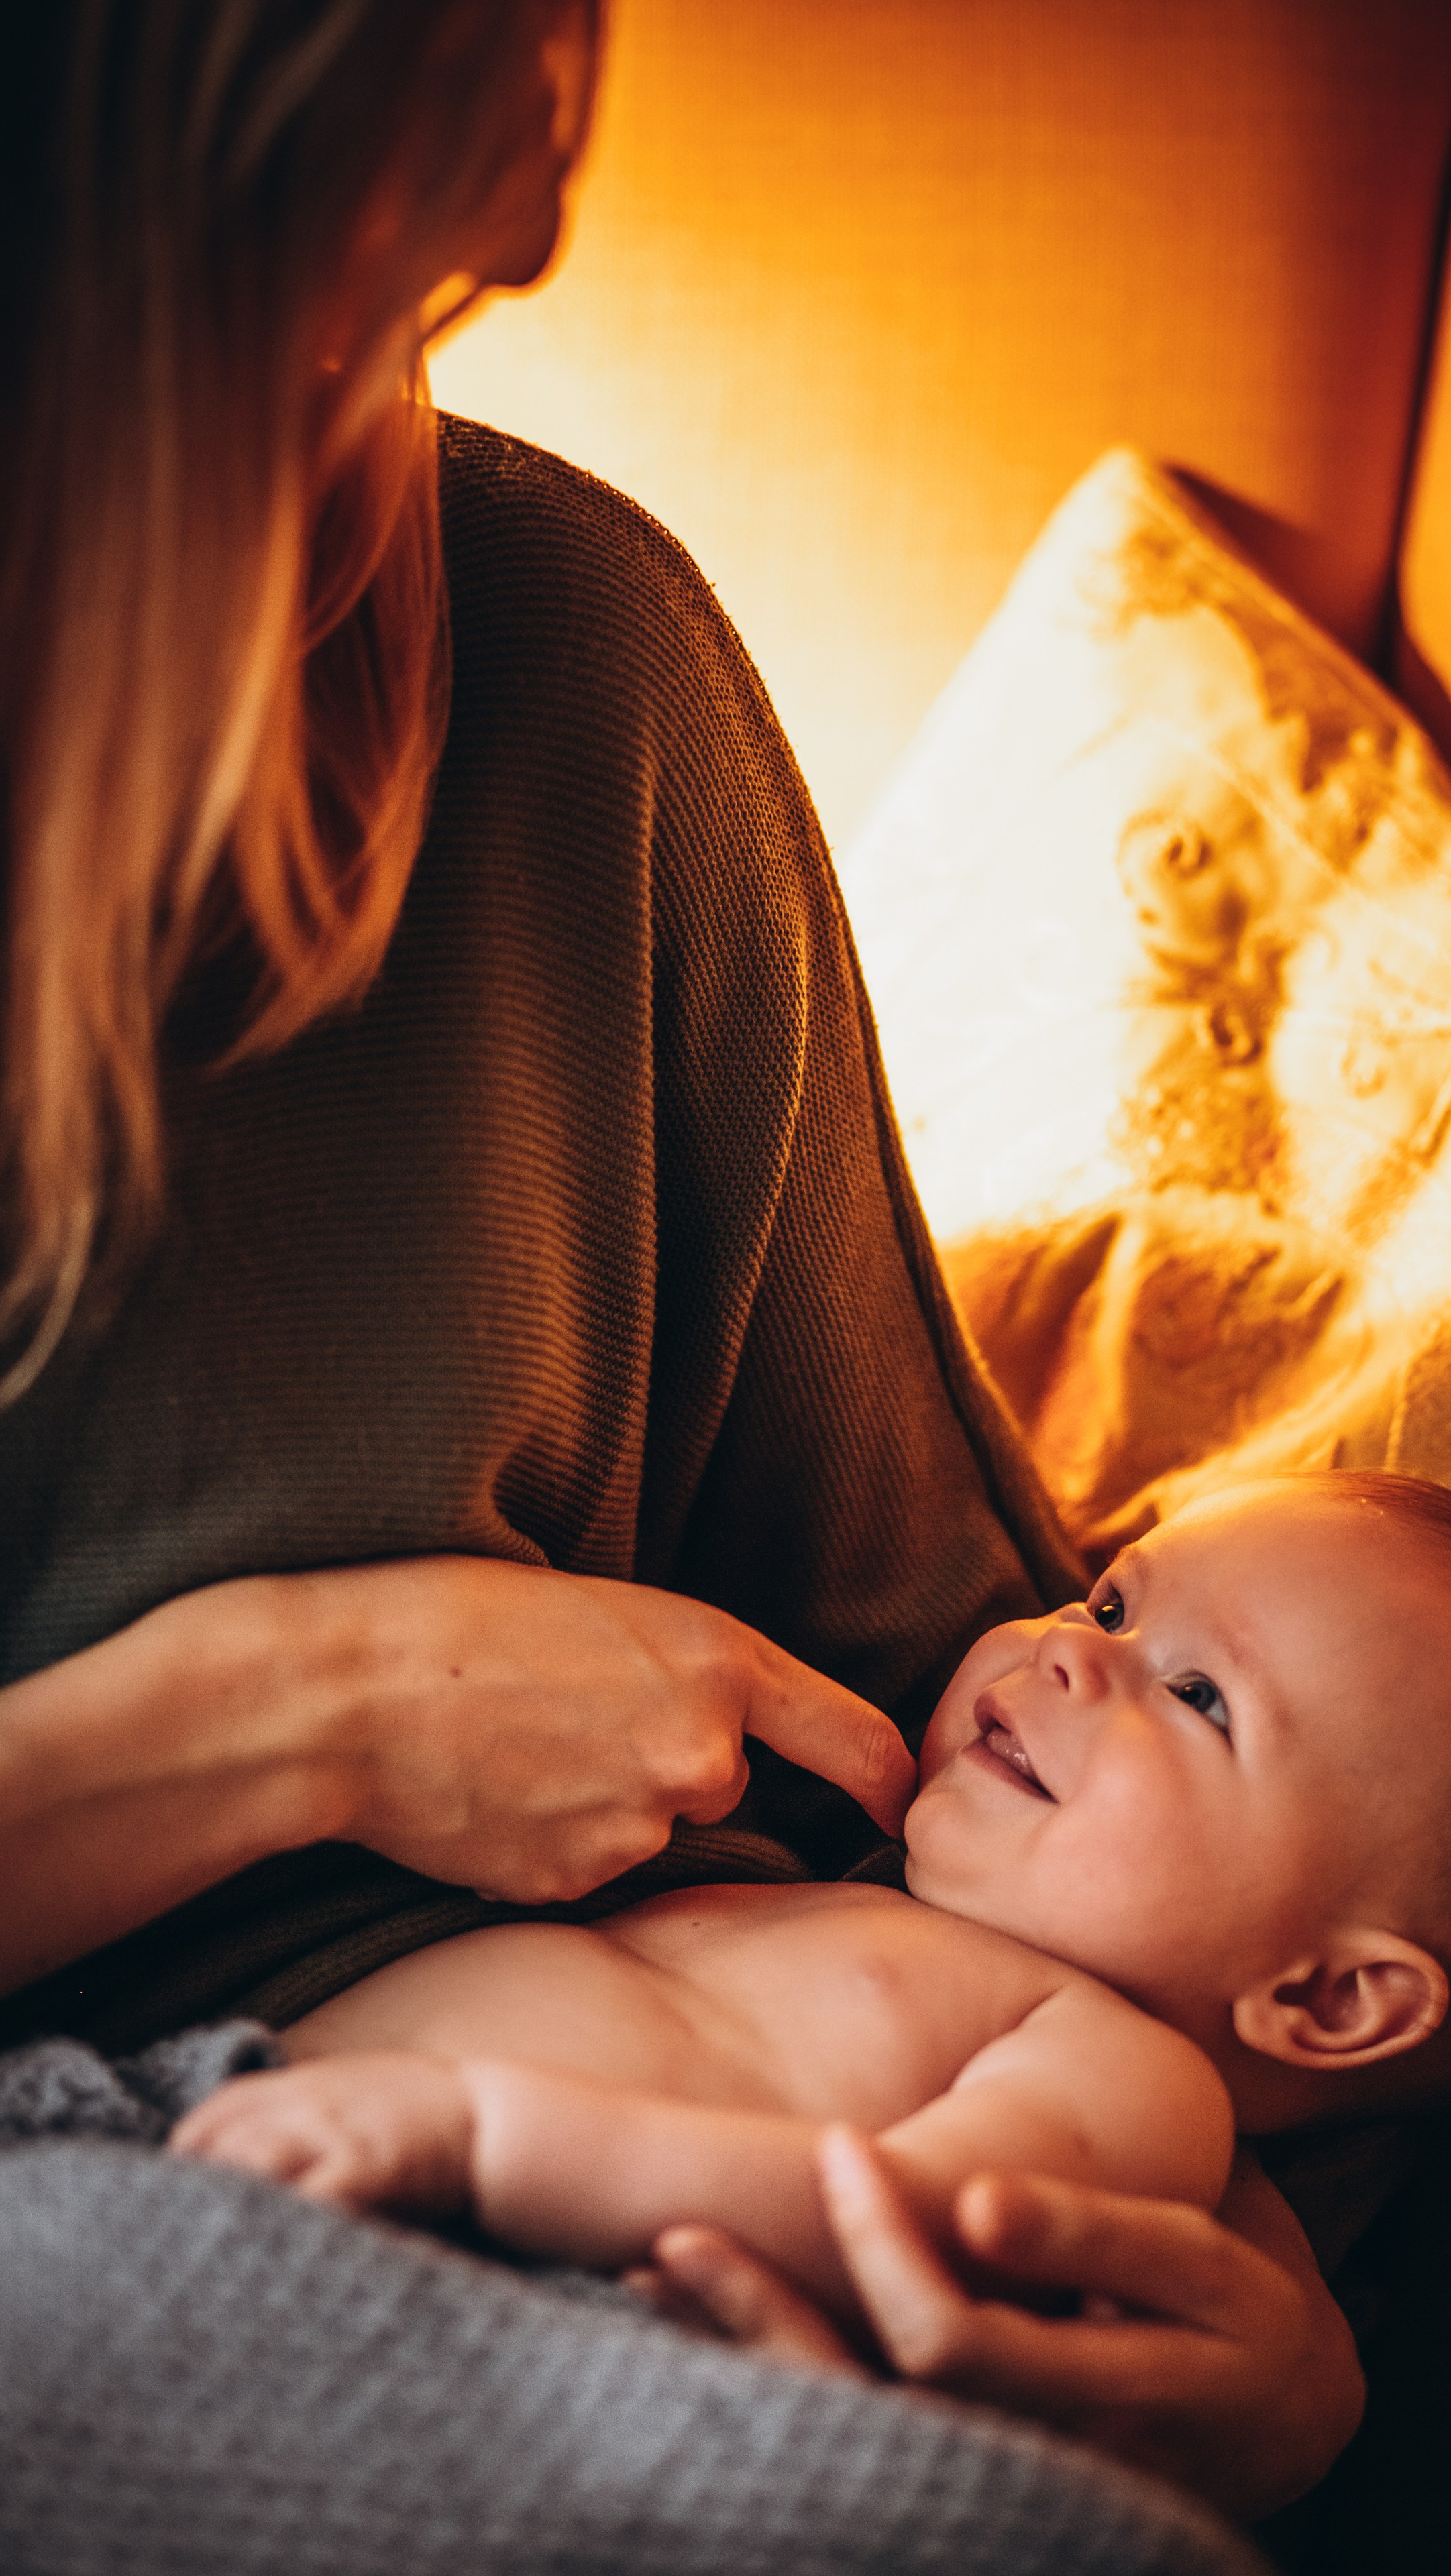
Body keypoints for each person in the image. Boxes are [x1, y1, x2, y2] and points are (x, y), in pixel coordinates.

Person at [0, 8, 1363, 2571]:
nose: (368, 484)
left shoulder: (565, 670)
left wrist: (1266, 2315)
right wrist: (283, 1716)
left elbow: (999, 1779)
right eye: (287, 320)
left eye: (431, 312)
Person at [171, 1473, 1451, 2330]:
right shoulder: (835, 1883)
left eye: (1192, 1694)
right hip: (204, 2134)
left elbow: (887, 2231)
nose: (1066, 1650)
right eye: (1111, 1596)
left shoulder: (1123, 2079)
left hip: (449, 2276)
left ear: (1322, 1998)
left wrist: (473, 2135)